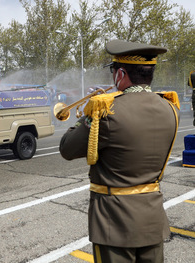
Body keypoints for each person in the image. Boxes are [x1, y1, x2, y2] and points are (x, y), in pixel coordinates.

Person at [59, 39, 179, 263]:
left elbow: (67, 148)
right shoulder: (171, 108)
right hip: (153, 220)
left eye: (113, 71)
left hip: (114, 224)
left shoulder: (106, 112)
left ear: (121, 74)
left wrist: (90, 111)